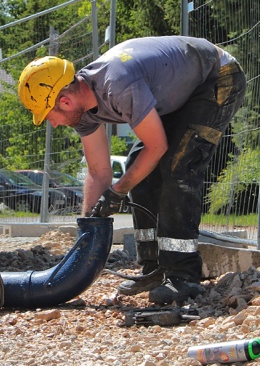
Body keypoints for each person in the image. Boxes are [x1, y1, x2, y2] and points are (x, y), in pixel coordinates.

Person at [17, 36, 246, 305]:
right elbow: (98, 170)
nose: (53, 125)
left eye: (48, 116)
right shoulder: (83, 112)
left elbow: (157, 146)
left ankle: (183, 275)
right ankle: (154, 268)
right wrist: (89, 225)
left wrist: (118, 190)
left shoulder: (118, 83)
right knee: (138, 165)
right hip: (179, 92)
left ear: (65, 101)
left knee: (178, 165)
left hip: (216, 77)